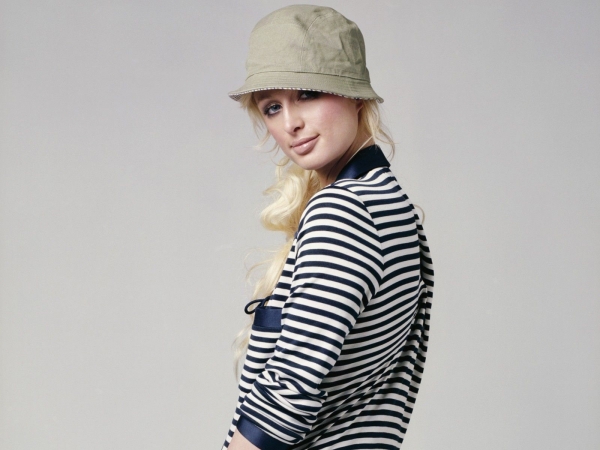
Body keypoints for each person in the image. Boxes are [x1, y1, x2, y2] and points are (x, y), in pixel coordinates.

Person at [222, 5, 434, 450]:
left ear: (354, 93)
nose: (290, 123)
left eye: (309, 93)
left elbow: (287, 393)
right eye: (272, 107)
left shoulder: (345, 210)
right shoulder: (392, 206)